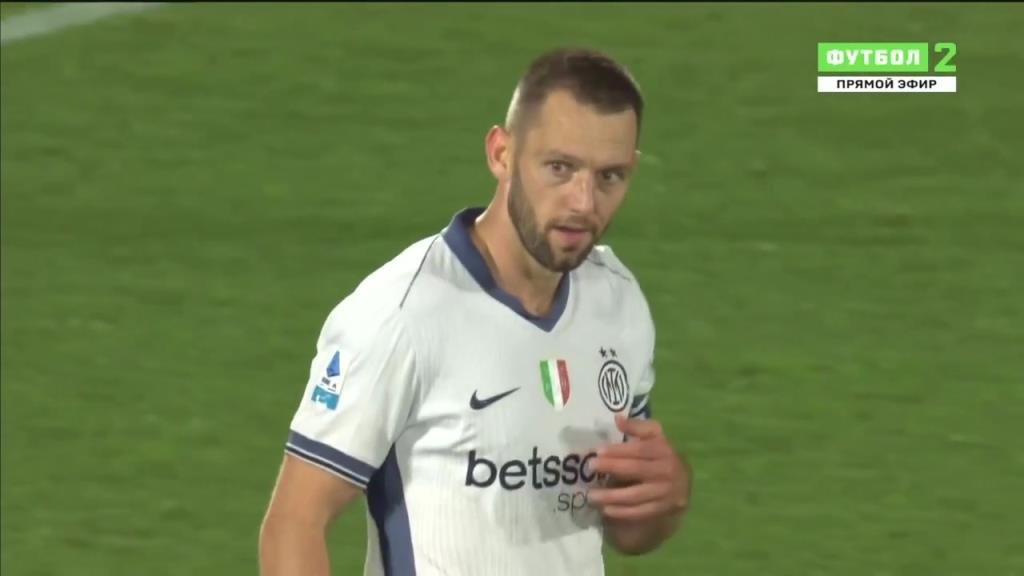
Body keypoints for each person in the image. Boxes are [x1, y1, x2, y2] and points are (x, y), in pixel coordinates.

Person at [259, 46, 691, 576]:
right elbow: (294, 523)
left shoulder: (617, 301)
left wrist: (666, 498)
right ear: (501, 154)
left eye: (610, 177)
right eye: (560, 168)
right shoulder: (403, 313)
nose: (584, 202)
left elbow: (628, 524)